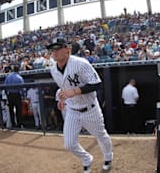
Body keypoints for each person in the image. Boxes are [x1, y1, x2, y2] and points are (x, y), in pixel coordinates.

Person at [47, 38, 113, 173]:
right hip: (72, 110)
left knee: (100, 135)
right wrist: (62, 98)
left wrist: (75, 91)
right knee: (69, 144)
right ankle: (87, 158)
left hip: (90, 108)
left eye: (58, 48)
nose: (55, 52)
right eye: (52, 50)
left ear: (67, 50)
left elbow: (97, 84)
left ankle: (108, 156)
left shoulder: (80, 63)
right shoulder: (53, 69)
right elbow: (63, 87)